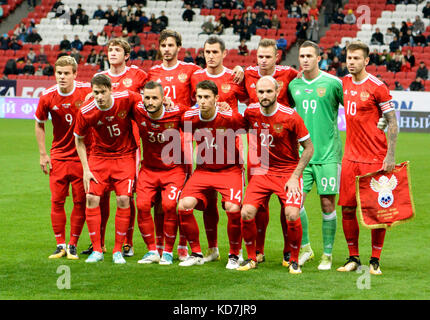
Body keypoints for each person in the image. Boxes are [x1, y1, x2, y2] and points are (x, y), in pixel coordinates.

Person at [237, 76, 314, 273]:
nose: (264, 95)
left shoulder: (290, 116)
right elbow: (238, 128)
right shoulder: (251, 112)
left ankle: (294, 259)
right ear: (256, 92)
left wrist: (295, 176)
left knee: (291, 214)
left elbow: (308, 148)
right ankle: (252, 257)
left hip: (288, 172)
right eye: (261, 92)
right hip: (263, 172)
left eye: (268, 91)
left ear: (277, 91)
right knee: (246, 212)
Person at [80, 38, 148, 257]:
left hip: (128, 145)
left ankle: (126, 242)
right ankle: (98, 244)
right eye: (110, 50)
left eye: (118, 50)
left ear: (127, 54)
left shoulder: (138, 75)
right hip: (101, 144)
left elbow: (148, 99)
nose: (113, 53)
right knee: (100, 197)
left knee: (126, 195)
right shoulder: (100, 78)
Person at [337, 41, 398, 275]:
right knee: (347, 209)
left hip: (375, 158)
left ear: (366, 61)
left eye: (355, 58)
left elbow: (392, 121)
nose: (351, 62)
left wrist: (390, 154)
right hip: (351, 159)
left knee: (376, 211)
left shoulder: (377, 86)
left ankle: (375, 260)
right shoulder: (342, 83)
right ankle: (353, 258)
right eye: (348, 58)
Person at [74, 74, 143, 264]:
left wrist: (167, 100)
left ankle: (118, 250)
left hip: (124, 156)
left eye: (103, 92)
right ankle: (97, 249)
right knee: (91, 198)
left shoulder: (126, 98)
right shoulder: (86, 111)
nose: (99, 96)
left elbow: (146, 101)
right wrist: (86, 168)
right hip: (99, 157)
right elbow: (78, 140)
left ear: (110, 90)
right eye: (96, 92)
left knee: (123, 199)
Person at [288, 41, 344, 270]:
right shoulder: (293, 86)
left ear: (319, 58)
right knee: (295, 203)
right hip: (302, 157)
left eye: (310, 55)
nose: (305, 60)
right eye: (302, 56)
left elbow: (353, 109)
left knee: (327, 204)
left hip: (329, 155)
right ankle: (306, 248)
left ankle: (327, 255)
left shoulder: (332, 83)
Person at [178, 80, 245, 268]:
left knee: (232, 208)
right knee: (183, 206)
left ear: (216, 98)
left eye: (207, 97)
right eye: (199, 97)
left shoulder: (229, 118)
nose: (203, 101)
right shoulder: (190, 118)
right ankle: (197, 253)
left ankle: (234, 254)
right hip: (204, 170)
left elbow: (245, 125)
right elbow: (178, 119)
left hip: (230, 169)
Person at [243, 38, 299, 266]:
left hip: (284, 146)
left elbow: (308, 78)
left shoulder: (289, 74)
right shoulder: (246, 74)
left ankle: (289, 251)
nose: (263, 61)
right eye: (260, 56)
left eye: (268, 56)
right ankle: (258, 250)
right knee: (258, 206)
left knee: (287, 207)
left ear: (276, 56)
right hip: (258, 151)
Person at [34, 56, 92, 260]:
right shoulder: (47, 96)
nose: (62, 77)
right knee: (57, 201)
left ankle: (73, 244)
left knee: (79, 202)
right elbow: (39, 124)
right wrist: (43, 154)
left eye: (67, 73)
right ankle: (60, 244)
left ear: (75, 74)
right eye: (59, 73)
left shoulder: (87, 91)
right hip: (58, 156)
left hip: (81, 157)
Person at [133, 81, 188, 265]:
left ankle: (168, 252)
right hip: (148, 169)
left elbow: (198, 115)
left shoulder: (177, 112)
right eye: (147, 98)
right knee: (141, 206)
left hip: (173, 170)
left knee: (170, 205)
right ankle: (152, 251)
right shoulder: (138, 109)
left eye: (155, 98)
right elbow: (116, 96)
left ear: (164, 99)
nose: (150, 102)